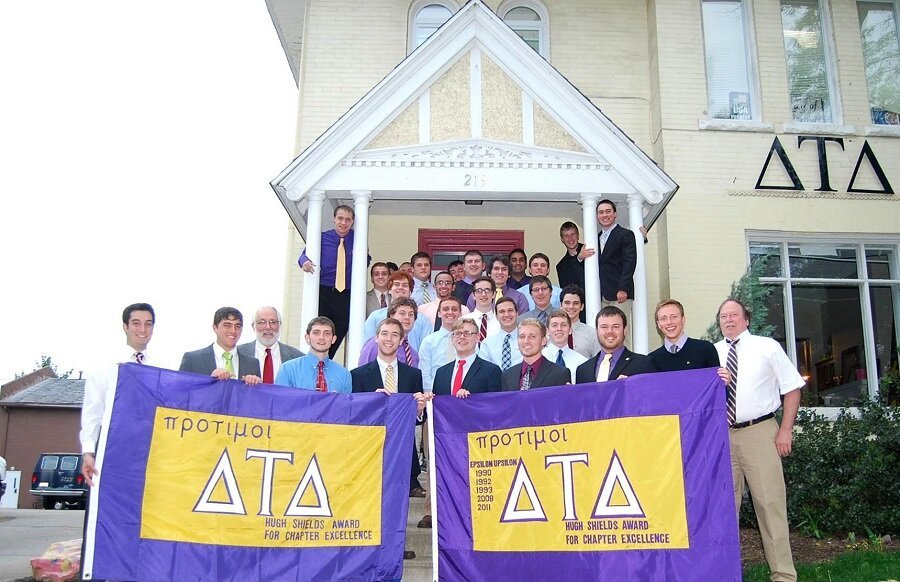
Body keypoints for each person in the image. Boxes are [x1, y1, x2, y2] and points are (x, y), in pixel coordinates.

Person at [716, 298, 804, 582]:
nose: (728, 320)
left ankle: (783, 574)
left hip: (760, 432)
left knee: (770, 504)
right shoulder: (713, 352)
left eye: (734, 315)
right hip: (721, 437)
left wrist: (785, 430)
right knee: (723, 508)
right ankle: (724, 573)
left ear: (746, 319)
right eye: (723, 316)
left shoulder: (767, 347)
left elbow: (792, 389)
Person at [350, 317, 427, 559]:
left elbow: (416, 419)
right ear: (376, 337)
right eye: (384, 333)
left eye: (395, 334)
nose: (389, 339)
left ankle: (395, 546)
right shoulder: (359, 375)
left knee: (397, 497)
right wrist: (370, 402)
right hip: (368, 448)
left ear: (402, 340)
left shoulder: (413, 374)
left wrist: (420, 409)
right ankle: (368, 545)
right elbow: (353, 416)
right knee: (369, 496)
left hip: (401, 448)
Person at [80, 303, 156, 486]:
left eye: (148, 324)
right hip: (112, 451)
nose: (143, 329)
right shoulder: (104, 366)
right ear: (125, 327)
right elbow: (93, 410)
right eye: (136, 323)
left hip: (149, 454)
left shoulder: (162, 367)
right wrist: (88, 451)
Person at [298, 205, 368, 357]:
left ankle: (327, 357)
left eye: (348, 220)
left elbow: (365, 260)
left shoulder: (358, 239)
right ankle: (316, 358)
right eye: (340, 219)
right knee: (320, 326)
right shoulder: (322, 238)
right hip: (324, 291)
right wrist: (304, 262)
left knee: (341, 327)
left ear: (352, 222)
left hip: (346, 293)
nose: (343, 223)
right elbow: (303, 256)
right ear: (334, 219)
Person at [575, 306, 657, 383]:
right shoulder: (583, 370)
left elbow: (651, 396)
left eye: (616, 326)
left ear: (625, 330)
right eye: (604, 327)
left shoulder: (644, 364)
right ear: (597, 331)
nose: (610, 331)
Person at [179, 307, 262, 383]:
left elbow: (255, 398)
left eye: (238, 326)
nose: (233, 331)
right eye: (227, 325)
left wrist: (257, 387)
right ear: (215, 327)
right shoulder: (192, 359)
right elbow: (180, 393)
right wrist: (209, 380)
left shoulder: (253, 363)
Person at [275, 316, 352, 393]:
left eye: (327, 333)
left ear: (333, 339)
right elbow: (281, 402)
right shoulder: (288, 370)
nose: (321, 337)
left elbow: (347, 404)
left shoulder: (344, 375)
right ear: (307, 338)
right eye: (316, 333)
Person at [363, 271, 433, 349]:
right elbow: (367, 345)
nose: (400, 287)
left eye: (405, 285)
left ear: (411, 291)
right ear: (389, 290)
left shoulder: (423, 319)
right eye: (396, 284)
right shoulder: (375, 317)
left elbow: (427, 348)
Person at [596, 200, 636, 333]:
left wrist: (623, 288)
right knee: (605, 333)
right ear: (597, 216)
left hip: (620, 294)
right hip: (602, 294)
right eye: (601, 212)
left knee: (619, 332)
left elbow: (629, 262)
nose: (604, 215)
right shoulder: (595, 238)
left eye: (608, 211)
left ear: (615, 214)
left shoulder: (625, 234)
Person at [237, 306, 303, 384]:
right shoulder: (238, 353)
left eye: (273, 322)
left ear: (280, 325)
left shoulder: (297, 357)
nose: (268, 327)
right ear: (253, 326)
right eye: (262, 322)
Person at [649, 299, 719, 372]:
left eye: (674, 317)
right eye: (663, 318)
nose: (669, 322)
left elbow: (716, 381)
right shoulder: (652, 360)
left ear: (683, 320)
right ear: (658, 324)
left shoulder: (706, 350)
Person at [500, 319, 570, 390]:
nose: (526, 341)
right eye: (522, 336)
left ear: (543, 341)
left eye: (532, 336)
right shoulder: (507, 375)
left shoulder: (559, 374)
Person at [358, 298, 421, 367]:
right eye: (402, 313)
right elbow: (363, 372)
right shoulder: (376, 344)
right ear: (391, 316)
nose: (407, 317)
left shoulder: (413, 354)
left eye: (411, 314)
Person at [418, 296, 464, 391]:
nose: (450, 312)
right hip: (435, 396)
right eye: (445, 309)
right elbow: (425, 373)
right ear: (439, 313)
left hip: (462, 394)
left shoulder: (467, 340)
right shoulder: (429, 341)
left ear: (460, 314)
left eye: (454, 309)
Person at [543, 310, 588, 383]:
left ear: (570, 330)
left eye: (563, 325)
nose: (559, 329)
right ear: (547, 331)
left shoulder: (582, 362)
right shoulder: (539, 359)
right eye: (554, 325)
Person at [479, 297, 523, 370]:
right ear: (496, 316)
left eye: (510, 310)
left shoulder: (527, 341)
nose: (507, 314)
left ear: (517, 313)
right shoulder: (487, 343)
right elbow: (483, 370)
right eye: (502, 311)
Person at [560, 285, 601, 359]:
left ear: (581, 306)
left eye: (575, 303)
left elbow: (598, 360)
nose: (571, 306)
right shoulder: (551, 334)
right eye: (567, 303)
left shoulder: (592, 334)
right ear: (561, 305)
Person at [460, 276, 501, 342]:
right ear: (473, 295)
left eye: (487, 290)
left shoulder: (500, 322)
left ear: (494, 294)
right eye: (479, 291)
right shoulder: (463, 321)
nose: (483, 294)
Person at [556, 221, 592, 290]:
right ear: (562, 240)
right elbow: (566, 291)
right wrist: (578, 259)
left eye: (572, 234)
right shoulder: (561, 266)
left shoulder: (589, 250)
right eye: (566, 236)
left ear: (578, 235)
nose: (570, 239)